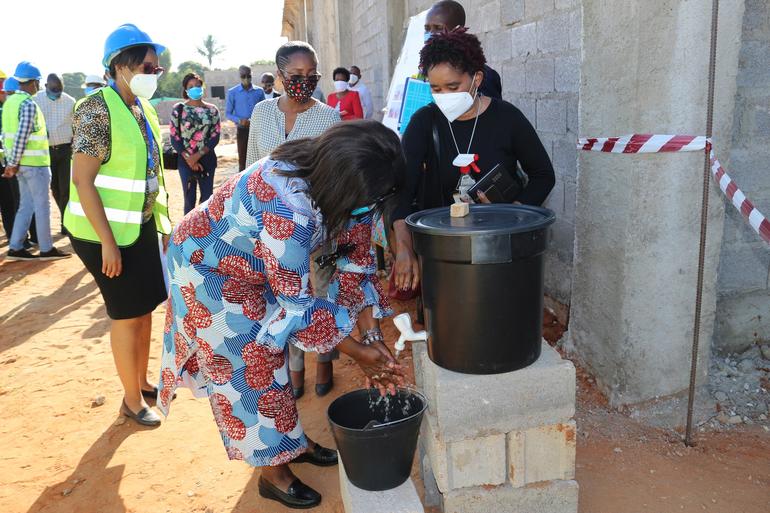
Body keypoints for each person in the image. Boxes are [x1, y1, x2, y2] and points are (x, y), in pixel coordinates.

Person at [158, 120, 405, 509]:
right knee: (250, 366)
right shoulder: (286, 208)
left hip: (254, 265)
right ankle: (273, 474)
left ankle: (293, 441)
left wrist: (372, 336)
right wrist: (359, 353)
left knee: (270, 357)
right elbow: (299, 309)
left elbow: (357, 261)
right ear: (345, 185)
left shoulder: (346, 182)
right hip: (207, 269)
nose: (371, 211)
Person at [62, 23, 172, 426]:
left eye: (157, 70)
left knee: (144, 310)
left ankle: (140, 381)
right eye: (147, 67)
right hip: (101, 234)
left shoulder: (141, 109)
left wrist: (158, 227)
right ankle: (131, 401)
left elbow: (149, 174)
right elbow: (83, 180)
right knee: (126, 313)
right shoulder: (96, 108)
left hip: (137, 227)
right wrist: (108, 243)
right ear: (120, 66)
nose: (153, 75)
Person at [392, 29, 555, 291]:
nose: (444, 95)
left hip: (499, 250)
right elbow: (402, 190)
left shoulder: (508, 118)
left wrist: (512, 212)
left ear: (476, 78)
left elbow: (543, 175)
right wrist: (403, 248)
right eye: (436, 88)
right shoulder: (424, 121)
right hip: (441, 251)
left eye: (453, 86)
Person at [245, 41, 341, 398]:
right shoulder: (262, 113)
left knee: (321, 292)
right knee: (287, 297)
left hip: (317, 225)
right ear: (280, 75)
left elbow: (334, 175)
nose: (305, 82)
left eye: (311, 75)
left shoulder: (328, 117)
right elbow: (252, 167)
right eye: (297, 75)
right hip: (273, 227)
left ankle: (325, 362)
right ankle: (295, 368)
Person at [2, 61, 71, 261]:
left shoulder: (9, 103)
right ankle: (47, 249)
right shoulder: (28, 104)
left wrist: (11, 163)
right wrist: (13, 164)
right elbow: (22, 136)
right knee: (42, 206)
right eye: (37, 82)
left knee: (26, 205)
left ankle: (15, 247)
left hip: (21, 165)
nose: (38, 86)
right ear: (32, 82)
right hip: (35, 165)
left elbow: (8, 136)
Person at [424, 0, 503, 100]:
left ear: (458, 30)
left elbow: (491, 112)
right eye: (427, 28)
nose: (431, 33)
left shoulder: (483, 76)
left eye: (438, 28)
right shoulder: (426, 68)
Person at [169, 73, 221, 214]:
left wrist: (197, 156)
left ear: (202, 87)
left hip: (207, 160)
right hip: (185, 161)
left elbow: (215, 136)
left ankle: (205, 232)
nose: (195, 89)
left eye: (198, 86)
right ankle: (188, 233)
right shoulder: (179, 109)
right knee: (189, 200)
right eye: (191, 86)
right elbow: (174, 137)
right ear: (185, 90)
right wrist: (189, 159)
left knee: (207, 199)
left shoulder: (212, 110)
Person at [34, 73, 76, 235]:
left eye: (59, 90)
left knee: (66, 189)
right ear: (45, 87)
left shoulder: (69, 101)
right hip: (46, 151)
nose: (56, 92)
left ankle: (65, 223)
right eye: (53, 89)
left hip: (65, 150)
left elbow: (76, 124)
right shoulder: (36, 100)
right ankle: (65, 217)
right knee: (55, 189)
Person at [226, 65, 265, 171]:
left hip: (257, 129)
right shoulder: (232, 92)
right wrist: (240, 120)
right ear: (239, 76)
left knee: (259, 159)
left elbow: (263, 110)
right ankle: (242, 185)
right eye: (243, 76)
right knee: (243, 160)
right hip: (242, 130)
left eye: (249, 76)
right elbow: (228, 113)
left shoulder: (259, 92)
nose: (246, 78)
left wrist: (253, 120)